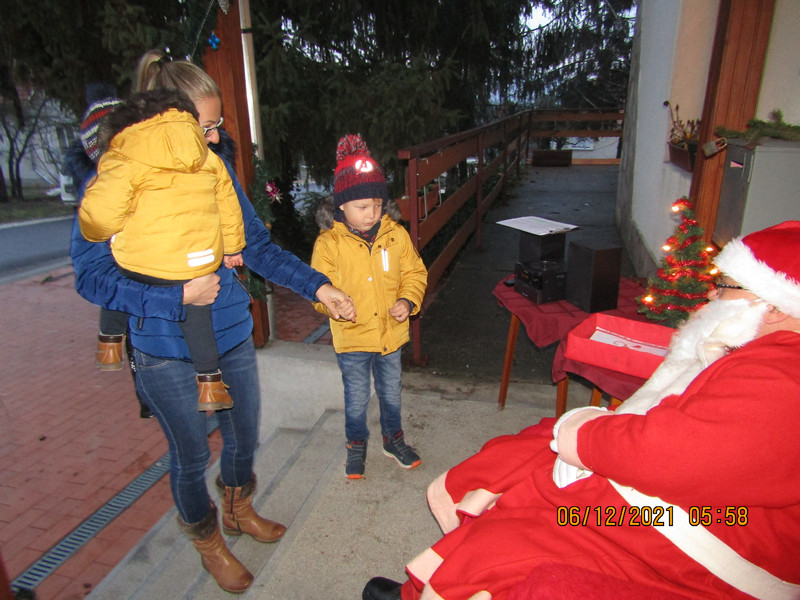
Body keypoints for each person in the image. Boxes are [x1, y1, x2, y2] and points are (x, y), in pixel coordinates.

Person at [362, 221, 800, 600]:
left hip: (711, 531)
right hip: (700, 503)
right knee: (522, 450)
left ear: (775, 306)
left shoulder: (784, 375)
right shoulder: (767, 349)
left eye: (727, 286)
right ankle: (426, 583)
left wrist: (584, 434)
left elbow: (672, 456)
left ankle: (438, 583)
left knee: (526, 523)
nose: (713, 293)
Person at [69, 49, 355, 594]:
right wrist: (175, 297)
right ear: (166, 123)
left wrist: (320, 287)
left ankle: (238, 509)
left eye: (217, 124)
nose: (217, 137)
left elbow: (258, 247)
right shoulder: (117, 178)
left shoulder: (213, 170)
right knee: (192, 455)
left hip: (231, 335)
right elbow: (92, 278)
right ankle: (208, 543)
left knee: (243, 438)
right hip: (163, 350)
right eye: (206, 127)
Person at [79, 87, 246, 411]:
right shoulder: (208, 157)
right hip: (199, 261)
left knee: (118, 277)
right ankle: (210, 384)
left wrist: (98, 231)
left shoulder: (123, 155)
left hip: (145, 263)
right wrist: (231, 247)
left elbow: (100, 217)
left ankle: (109, 344)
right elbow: (229, 206)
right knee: (198, 316)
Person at [310, 133, 428, 479]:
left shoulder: (396, 235)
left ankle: (393, 439)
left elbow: (415, 272)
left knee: (391, 391)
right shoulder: (328, 244)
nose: (371, 214)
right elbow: (317, 289)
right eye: (362, 207)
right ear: (341, 205)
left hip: (390, 336)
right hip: (352, 339)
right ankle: (356, 443)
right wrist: (335, 306)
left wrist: (408, 300)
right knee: (357, 396)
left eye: (377, 205)